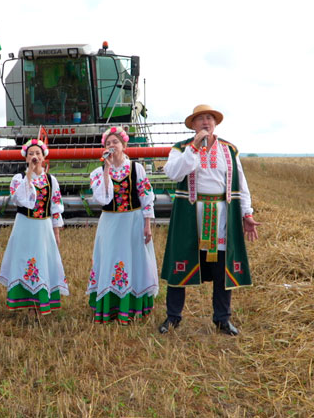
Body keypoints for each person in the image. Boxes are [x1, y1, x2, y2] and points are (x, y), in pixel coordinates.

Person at [159, 105, 260, 336]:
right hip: (190, 216)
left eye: (209, 118)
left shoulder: (229, 149)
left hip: (222, 216)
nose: (206, 122)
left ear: (215, 123)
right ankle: (173, 317)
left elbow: (241, 184)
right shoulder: (181, 148)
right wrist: (194, 148)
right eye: (200, 119)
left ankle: (222, 319)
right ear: (193, 125)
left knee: (222, 269)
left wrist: (247, 213)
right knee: (180, 266)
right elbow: (174, 173)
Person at [87, 126, 158, 324]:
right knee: (110, 260)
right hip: (110, 222)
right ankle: (109, 306)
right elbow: (103, 199)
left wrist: (147, 224)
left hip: (133, 221)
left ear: (124, 145)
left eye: (115, 142)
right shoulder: (98, 172)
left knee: (133, 260)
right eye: (108, 143)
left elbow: (146, 198)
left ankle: (132, 306)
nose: (112, 146)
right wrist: (107, 169)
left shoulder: (137, 168)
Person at [0, 137, 68, 315]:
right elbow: (19, 199)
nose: (35, 156)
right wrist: (29, 173)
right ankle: (26, 301)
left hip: (43, 227)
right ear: (26, 158)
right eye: (31, 154)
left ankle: (39, 303)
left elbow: (55, 207)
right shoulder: (19, 178)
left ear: (44, 157)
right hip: (24, 226)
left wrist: (56, 232)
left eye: (38, 153)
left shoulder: (51, 180)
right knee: (23, 260)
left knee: (42, 261)